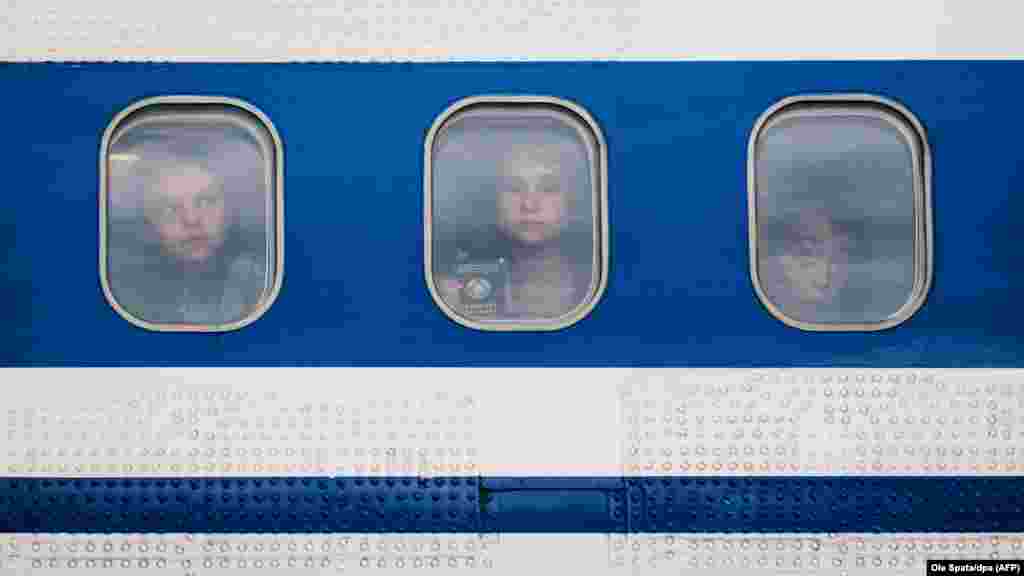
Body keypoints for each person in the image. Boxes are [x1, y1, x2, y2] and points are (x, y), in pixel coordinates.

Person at [108, 147, 267, 325]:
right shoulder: (123, 292)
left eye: (207, 201)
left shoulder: (260, 280)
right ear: (148, 221)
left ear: (230, 210)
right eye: (170, 208)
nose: (192, 219)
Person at [437, 144, 592, 320]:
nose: (529, 204)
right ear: (495, 201)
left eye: (549, 188)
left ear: (572, 201)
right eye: (514, 188)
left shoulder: (592, 278)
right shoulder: (457, 276)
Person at [759, 208, 850, 322]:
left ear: (832, 242)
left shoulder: (841, 273)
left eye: (815, 239)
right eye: (798, 239)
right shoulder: (771, 271)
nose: (807, 246)